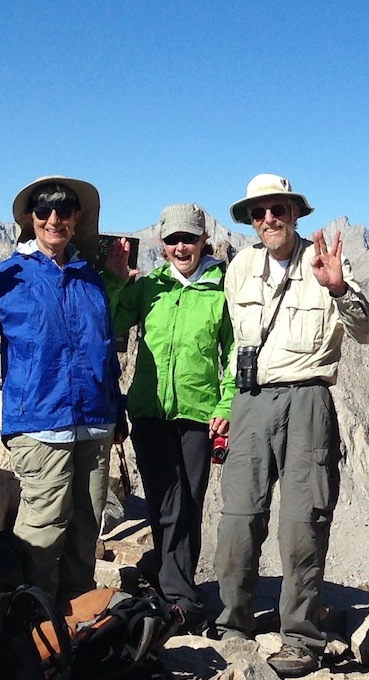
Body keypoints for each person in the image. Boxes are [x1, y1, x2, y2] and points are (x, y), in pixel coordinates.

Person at [213, 174, 369, 678]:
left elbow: (368, 332)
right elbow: (234, 340)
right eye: (259, 211)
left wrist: (339, 288)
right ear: (250, 219)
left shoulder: (326, 262)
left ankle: (300, 637)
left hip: (309, 397)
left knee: (303, 522)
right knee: (239, 516)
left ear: (294, 213)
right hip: (250, 401)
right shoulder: (240, 267)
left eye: (278, 209)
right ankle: (231, 625)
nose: (269, 219)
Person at [0, 176, 124, 602]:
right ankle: (35, 617)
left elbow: (103, 350)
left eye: (64, 209)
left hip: (95, 423)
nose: (54, 218)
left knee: (86, 524)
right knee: (43, 527)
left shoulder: (89, 278)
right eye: (44, 210)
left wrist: (118, 410)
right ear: (30, 218)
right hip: (41, 425)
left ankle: (79, 612)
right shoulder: (10, 275)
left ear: (77, 219)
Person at [105, 204, 234, 634]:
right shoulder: (149, 288)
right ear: (162, 245)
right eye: (173, 240)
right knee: (166, 501)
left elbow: (235, 351)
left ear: (203, 242)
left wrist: (226, 404)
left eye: (189, 239)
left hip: (199, 413)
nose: (181, 247)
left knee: (188, 503)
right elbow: (112, 321)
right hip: (149, 411)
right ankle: (178, 594)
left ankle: (173, 589)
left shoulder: (221, 290)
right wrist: (118, 279)